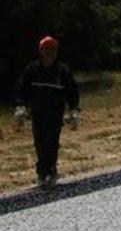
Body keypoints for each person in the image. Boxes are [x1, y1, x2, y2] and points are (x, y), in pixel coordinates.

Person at [16, 36, 80, 187]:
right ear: (40, 50)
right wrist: (20, 106)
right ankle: (42, 171)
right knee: (39, 142)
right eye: (46, 49)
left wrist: (74, 110)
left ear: (56, 51)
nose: (49, 52)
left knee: (52, 142)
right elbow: (22, 89)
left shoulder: (63, 71)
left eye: (52, 49)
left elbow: (72, 91)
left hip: (55, 113)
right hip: (37, 113)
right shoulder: (32, 69)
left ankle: (51, 170)